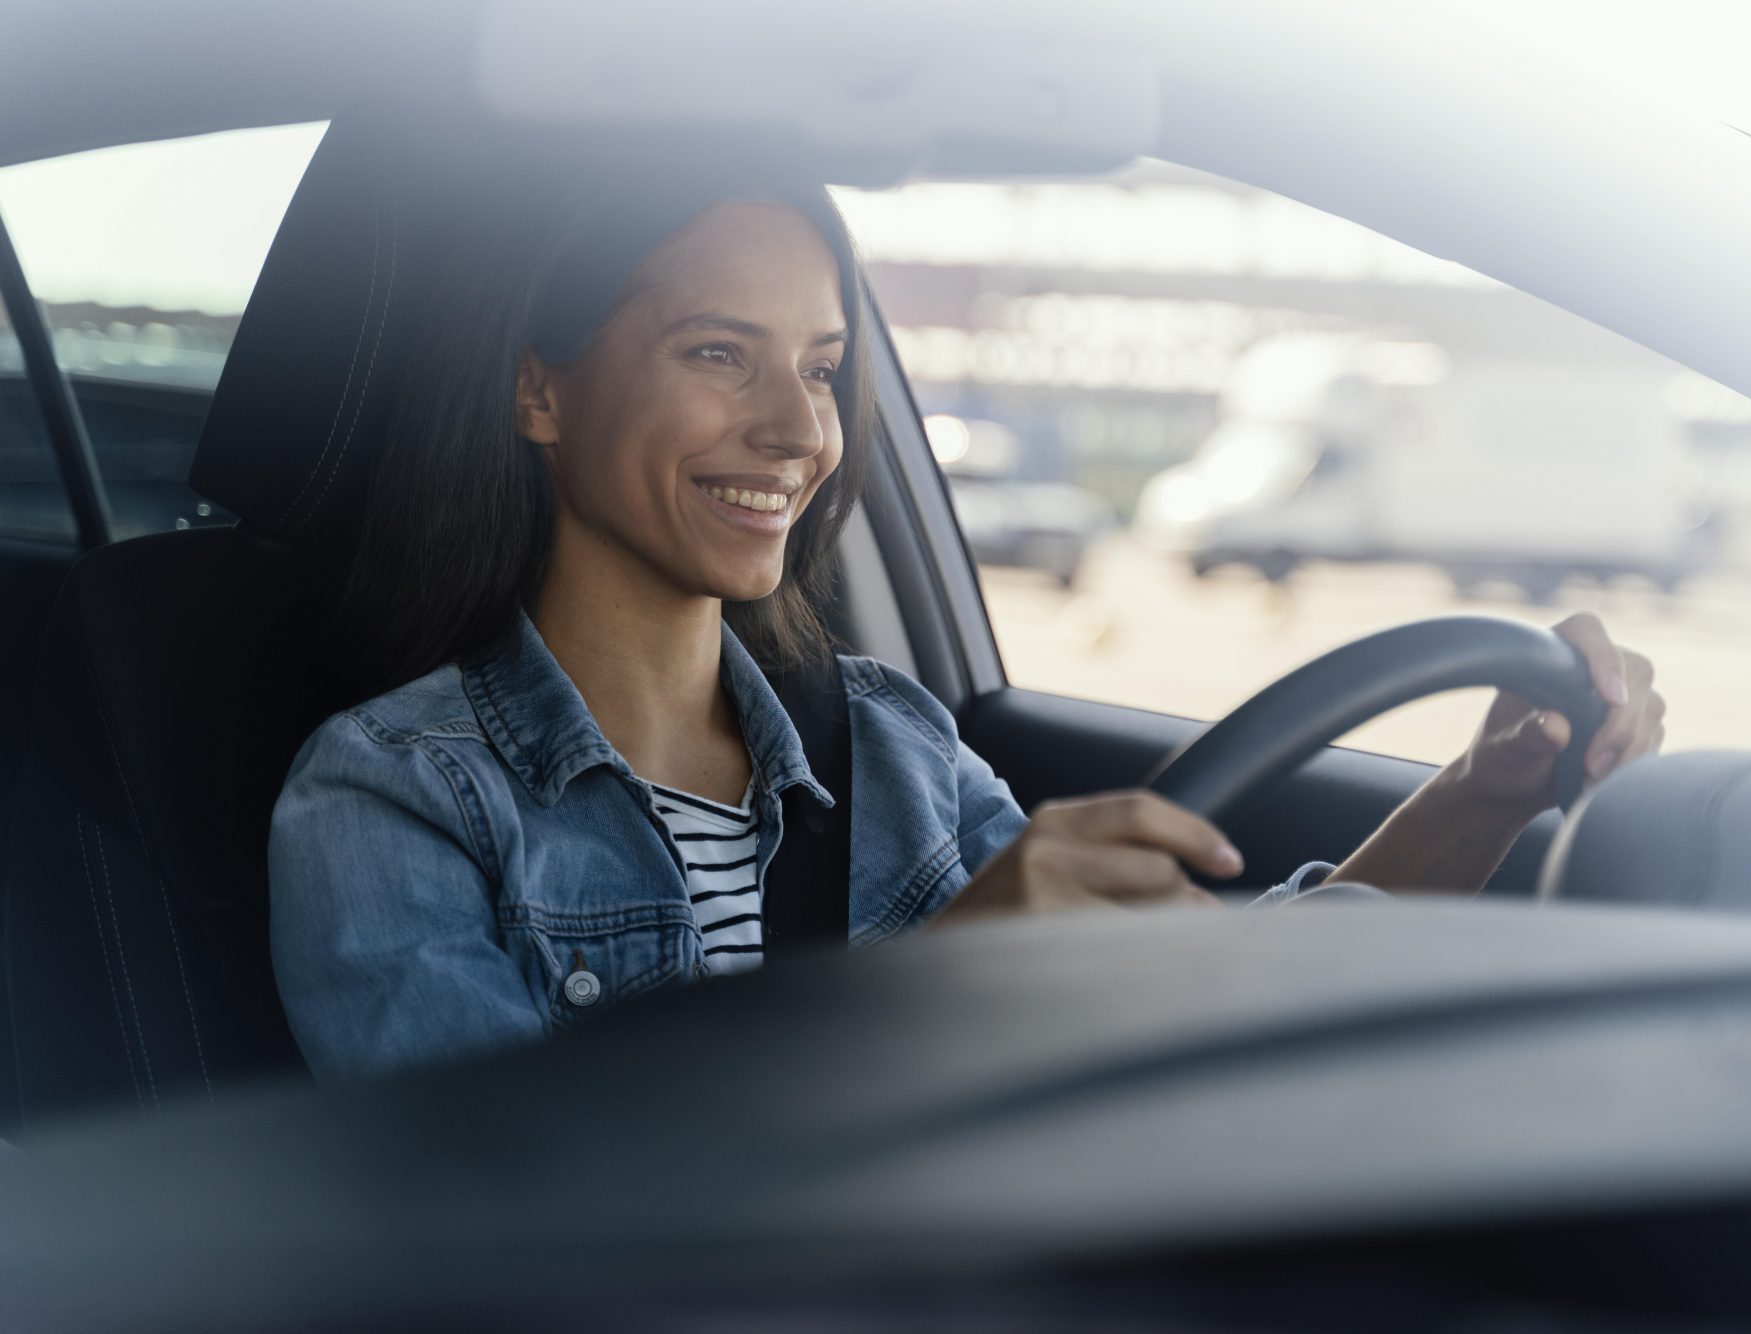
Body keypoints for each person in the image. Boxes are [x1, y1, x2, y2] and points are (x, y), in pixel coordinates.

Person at [268, 166, 1666, 1082]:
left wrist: (1488, 795)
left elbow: (1224, 1003)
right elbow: (492, 1228)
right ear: (539, 393)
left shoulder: (888, 735)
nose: (796, 427)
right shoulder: (392, 797)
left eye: (822, 367)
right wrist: (933, 985)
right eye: (717, 354)